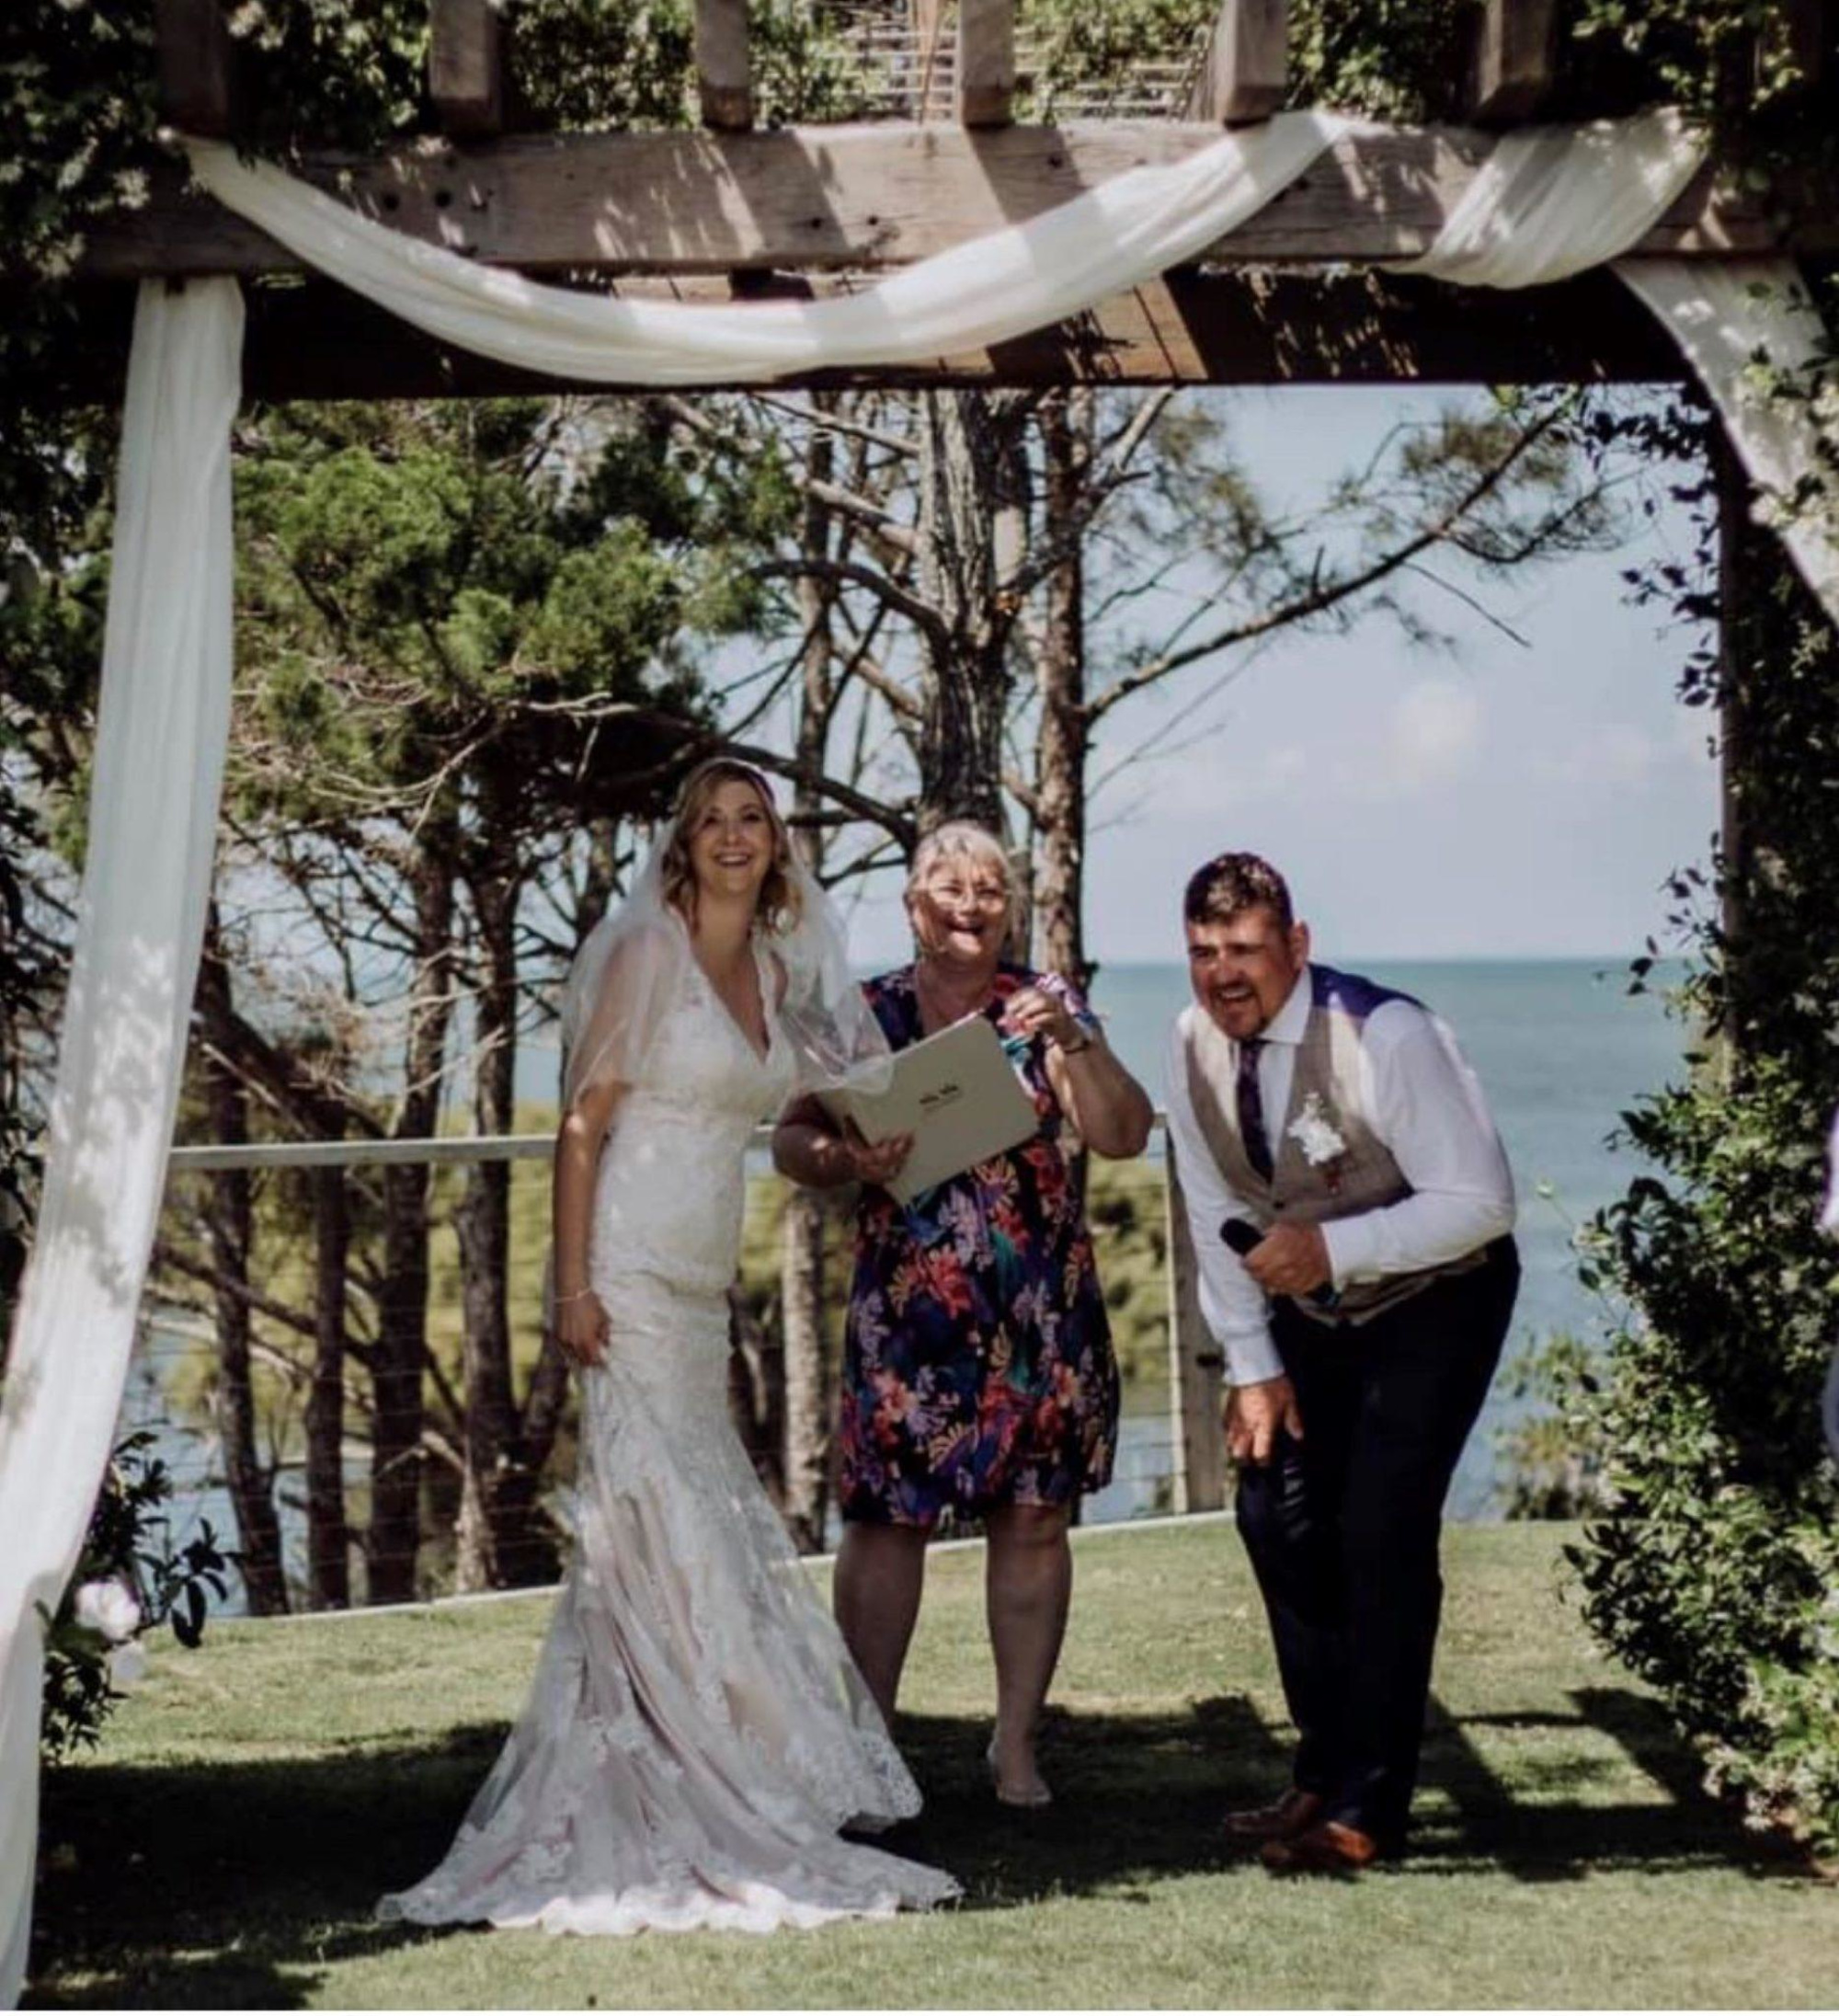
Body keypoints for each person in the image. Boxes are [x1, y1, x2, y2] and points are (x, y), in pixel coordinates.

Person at [379, 759, 956, 1935]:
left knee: (679, 1518)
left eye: (752, 821)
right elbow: (581, 1128)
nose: (734, 838)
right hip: (631, 1269)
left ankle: (693, 1753)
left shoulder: (778, 973)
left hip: (702, 1280)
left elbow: (830, 1098)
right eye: (712, 823)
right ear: (682, 845)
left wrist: (874, 1144)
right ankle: (675, 1770)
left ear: (776, 844)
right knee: (653, 1517)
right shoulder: (647, 952)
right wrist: (569, 1285)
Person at [773, 821, 1154, 1809]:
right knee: (884, 1521)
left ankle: (1015, 1745)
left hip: (1038, 1313)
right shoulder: (867, 1013)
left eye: (989, 887)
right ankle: (869, 1748)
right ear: (912, 904)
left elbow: (1119, 1133)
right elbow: (792, 1139)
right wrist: (844, 1161)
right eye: (949, 885)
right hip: (908, 1317)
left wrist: (1072, 1036)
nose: (970, 902)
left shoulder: (1042, 1007)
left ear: (1007, 907)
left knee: (1032, 1519)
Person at [1162, 851, 1518, 1874]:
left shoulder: (1385, 1035)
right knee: (1271, 1515)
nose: (1223, 973)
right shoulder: (1190, 1043)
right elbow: (1211, 1208)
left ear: (1296, 943)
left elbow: (1478, 1200)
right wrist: (1249, 1363)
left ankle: (1371, 1802)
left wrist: (1334, 1249)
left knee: (1379, 1529)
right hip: (1310, 1315)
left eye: (1243, 949)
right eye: (1201, 952)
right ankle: (1319, 1768)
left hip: (1436, 1299)